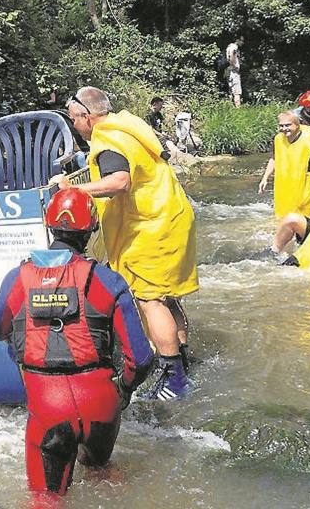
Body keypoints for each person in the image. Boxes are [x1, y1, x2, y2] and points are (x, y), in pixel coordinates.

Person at [0, 187, 154, 498]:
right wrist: (124, 390)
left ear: (49, 226)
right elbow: (141, 358)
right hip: (102, 404)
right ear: (91, 231)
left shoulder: (18, 278)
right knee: (102, 472)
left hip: (48, 406)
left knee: (46, 500)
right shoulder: (108, 279)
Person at [56, 86, 198, 400]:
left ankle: (174, 380)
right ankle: (185, 361)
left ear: (87, 116)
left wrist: (74, 191)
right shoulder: (129, 125)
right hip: (171, 216)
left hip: (150, 224)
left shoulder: (108, 140)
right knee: (168, 296)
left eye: (74, 120)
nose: (74, 126)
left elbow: (119, 181)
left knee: (150, 300)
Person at [258, 112, 310, 219]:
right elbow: (274, 158)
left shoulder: (308, 141)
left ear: (297, 125)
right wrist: (265, 178)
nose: (284, 128)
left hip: (304, 188)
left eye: (288, 125)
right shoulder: (278, 139)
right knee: (282, 218)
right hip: (284, 185)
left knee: (303, 220)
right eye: (281, 125)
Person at [225, 35, 243, 107]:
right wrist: (234, 65)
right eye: (241, 41)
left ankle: (231, 108)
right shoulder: (234, 47)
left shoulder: (229, 46)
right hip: (234, 72)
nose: (242, 43)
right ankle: (238, 109)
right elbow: (232, 54)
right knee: (237, 92)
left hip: (229, 72)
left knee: (231, 91)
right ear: (237, 40)